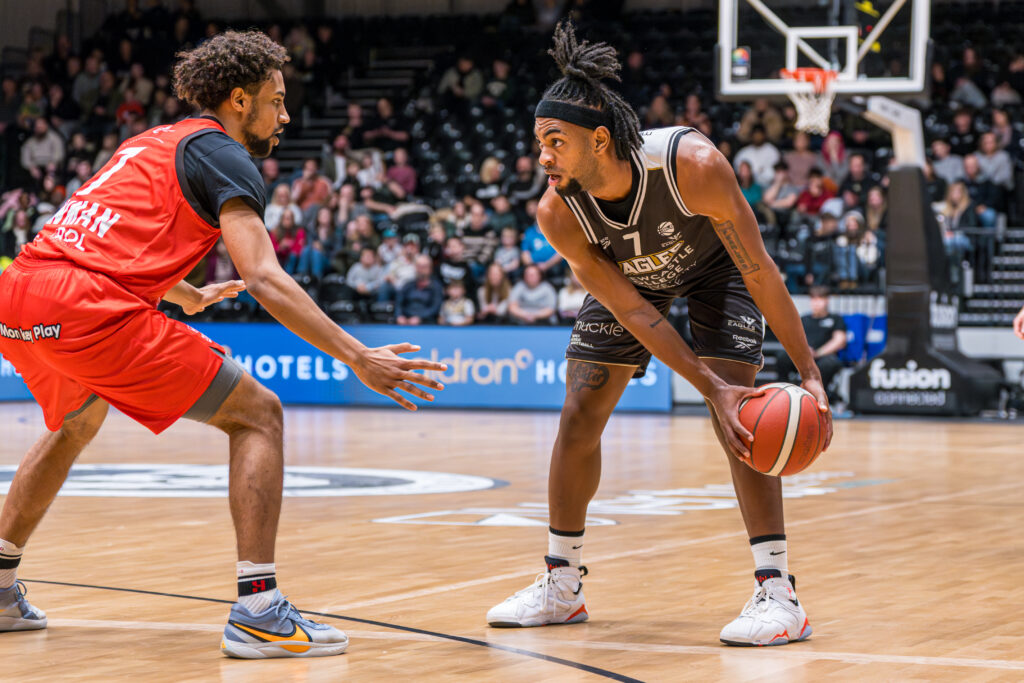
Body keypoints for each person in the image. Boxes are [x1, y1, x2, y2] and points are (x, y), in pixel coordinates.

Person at [0, 31, 445, 659]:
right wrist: (357, 356)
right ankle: (259, 609)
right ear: (239, 100)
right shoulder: (225, 156)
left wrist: (186, 295)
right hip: (84, 307)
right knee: (258, 414)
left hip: (21, 295)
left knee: (76, 421)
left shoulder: (152, 141)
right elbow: (265, 277)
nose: (286, 116)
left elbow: (96, 236)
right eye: (277, 101)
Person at [486, 24, 831, 646]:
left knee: (743, 415)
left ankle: (779, 595)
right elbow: (641, 316)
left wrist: (806, 371)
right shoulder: (557, 211)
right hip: (631, 279)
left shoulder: (691, 166)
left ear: (599, 139)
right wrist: (705, 387)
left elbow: (757, 268)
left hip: (715, 267)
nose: (543, 158)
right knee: (579, 411)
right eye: (538, 143)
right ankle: (561, 585)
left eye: (555, 142)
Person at [774, 287, 847, 397]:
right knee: (782, 357)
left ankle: (821, 394)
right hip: (803, 356)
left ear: (827, 300)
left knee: (830, 363)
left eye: (820, 299)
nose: (816, 303)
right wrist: (803, 351)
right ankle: (783, 392)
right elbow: (792, 338)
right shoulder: (804, 319)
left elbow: (840, 340)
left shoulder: (835, 319)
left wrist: (818, 353)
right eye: (813, 299)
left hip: (822, 357)